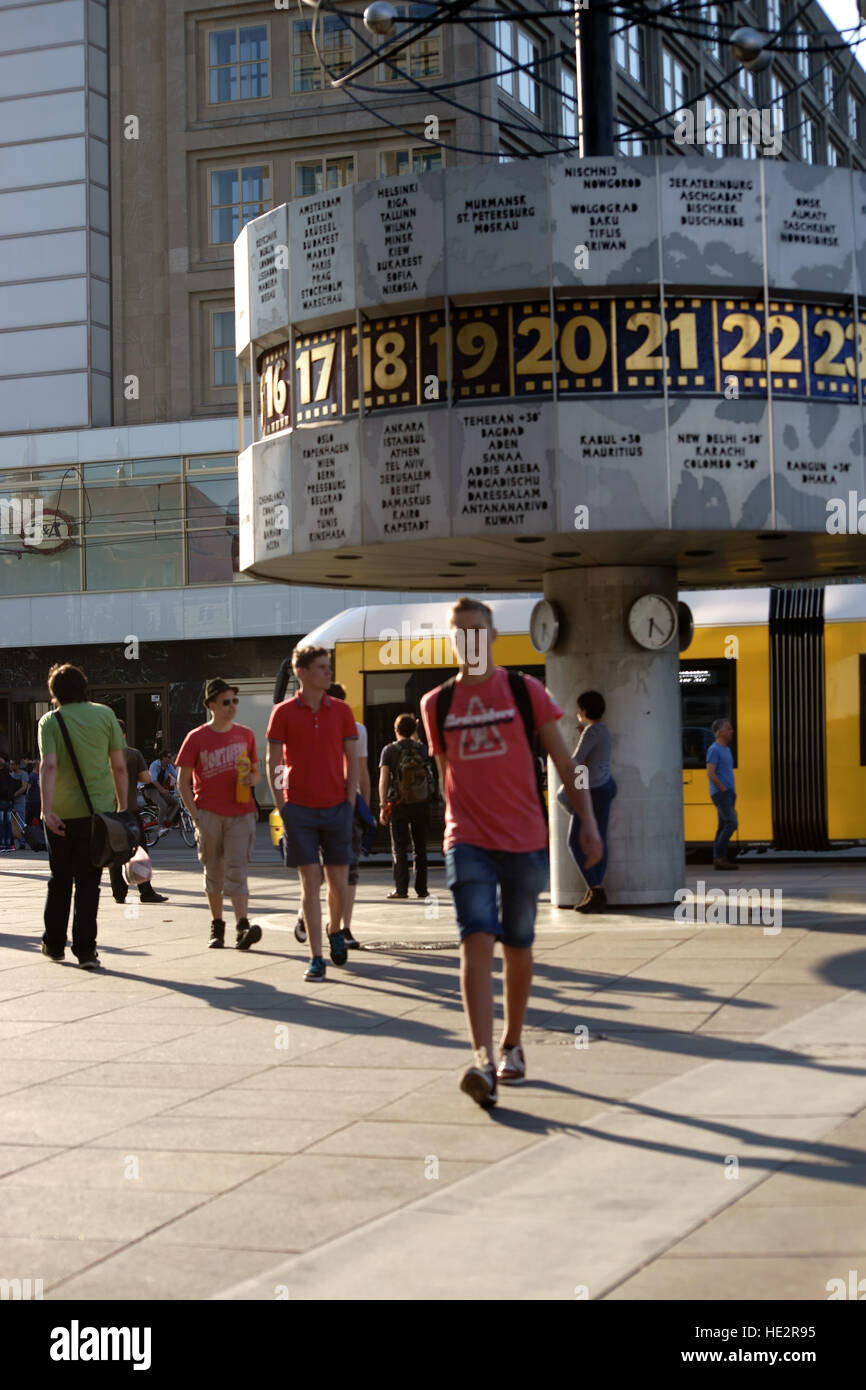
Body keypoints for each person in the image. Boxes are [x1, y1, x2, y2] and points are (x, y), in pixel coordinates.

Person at [420, 598, 603, 1110]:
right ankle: (481, 1059)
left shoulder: (525, 692)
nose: (469, 640)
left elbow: (567, 764)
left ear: (493, 635)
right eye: (459, 632)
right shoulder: (436, 704)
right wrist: (450, 830)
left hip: (522, 840)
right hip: (468, 841)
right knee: (475, 937)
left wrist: (587, 820)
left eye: (477, 631)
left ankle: (512, 1042)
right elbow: (445, 776)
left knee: (517, 944)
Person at [266, 646, 359, 982]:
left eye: (328, 667)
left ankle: (336, 929)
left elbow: (352, 757)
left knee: (337, 882)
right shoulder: (283, 712)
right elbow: (273, 761)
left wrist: (349, 802)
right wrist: (281, 803)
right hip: (299, 810)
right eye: (321, 667)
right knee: (310, 884)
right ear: (301, 673)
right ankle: (316, 957)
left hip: (336, 809)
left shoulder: (342, 711)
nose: (328, 672)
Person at [37, 663, 137, 969]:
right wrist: (122, 808)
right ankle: (86, 951)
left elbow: (49, 766)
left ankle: (54, 945)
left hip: (62, 815)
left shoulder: (50, 721)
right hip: (99, 814)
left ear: (54, 693)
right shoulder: (106, 714)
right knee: (89, 882)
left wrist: (46, 810)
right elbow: (119, 766)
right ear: (84, 686)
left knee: (60, 880)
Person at [175, 679, 263, 950]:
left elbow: (257, 773)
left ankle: (242, 926)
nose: (232, 706)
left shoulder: (245, 734)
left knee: (237, 869)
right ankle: (217, 926)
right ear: (211, 705)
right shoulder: (196, 737)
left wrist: (251, 779)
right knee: (214, 872)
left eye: (235, 701)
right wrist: (195, 816)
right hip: (209, 814)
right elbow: (183, 782)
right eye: (226, 702)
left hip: (241, 813)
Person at [293, 682, 368, 950]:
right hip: (321, 807)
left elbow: (360, 769)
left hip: (344, 807)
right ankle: (327, 922)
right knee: (327, 873)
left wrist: (361, 807)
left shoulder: (356, 729)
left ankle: (341, 926)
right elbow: (363, 772)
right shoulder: (311, 724)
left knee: (344, 872)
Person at [564, 691, 617, 913]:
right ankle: (596, 889)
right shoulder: (603, 730)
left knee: (574, 841)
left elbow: (575, 761)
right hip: (605, 786)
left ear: (584, 710)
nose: (577, 711)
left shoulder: (591, 731)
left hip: (591, 790)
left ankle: (595, 889)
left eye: (579, 707)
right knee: (600, 838)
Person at [109, 721, 167, 907]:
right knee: (139, 850)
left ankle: (119, 893)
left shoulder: (101, 756)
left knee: (115, 852)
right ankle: (145, 890)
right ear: (124, 735)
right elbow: (146, 778)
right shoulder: (133, 754)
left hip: (109, 811)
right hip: (130, 810)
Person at [378, 713, 432, 900]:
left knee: (399, 847)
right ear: (413, 730)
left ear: (396, 730)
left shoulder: (389, 750)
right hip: (421, 803)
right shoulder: (423, 749)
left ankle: (401, 889)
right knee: (420, 848)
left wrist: (383, 805)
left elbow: (384, 779)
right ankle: (422, 889)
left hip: (399, 803)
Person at [707, 718, 738, 870]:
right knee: (732, 823)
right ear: (720, 732)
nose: (732, 731)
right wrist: (723, 789)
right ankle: (719, 857)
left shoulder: (726, 749)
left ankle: (720, 858)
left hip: (729, 793)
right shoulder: (714, 749)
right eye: (729, 728)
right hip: (721, 793)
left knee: (723, 826)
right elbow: (711, 773)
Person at [146, 751, 181, 827]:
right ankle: (160, 826)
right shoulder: (155, 765)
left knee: (175, 803)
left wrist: (186, 783)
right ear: (163, 758)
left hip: (159, 789)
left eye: (171, 757)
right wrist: (162, 789)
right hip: (150, 789)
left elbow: (177, 776)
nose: (170, 759)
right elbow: (153, 780)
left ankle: (168, 821)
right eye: (169, 757)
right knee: (163, 805)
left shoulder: (169, 766)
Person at [0, 757, 19, 854]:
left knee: (1, 823)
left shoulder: (2, 776)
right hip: (8, 802)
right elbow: (11, 790)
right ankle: (9, 844)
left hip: (1, 801)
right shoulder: (9, 776)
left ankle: (2, 845)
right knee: (7, 823)